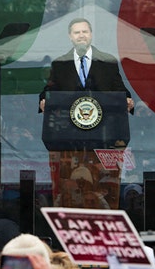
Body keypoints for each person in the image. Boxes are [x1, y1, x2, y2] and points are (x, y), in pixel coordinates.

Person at [39, 18, 133, 209]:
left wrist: (128, 100)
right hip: (68, 140)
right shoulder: (60, 64)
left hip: (103, 138)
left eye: (84, 32)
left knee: (100, 188)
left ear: (90, 35)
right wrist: (43, 100)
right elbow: (50, 90)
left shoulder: (107, 61)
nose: (81, 35)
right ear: (70, 37)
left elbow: (119, 89)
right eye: (76, 32)